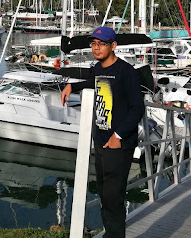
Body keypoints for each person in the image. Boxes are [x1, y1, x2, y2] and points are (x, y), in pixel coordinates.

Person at [60, 26, 144, 237]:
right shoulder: (98, 68)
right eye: (93, 44)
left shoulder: (127, 72)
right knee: (105, 195)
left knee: (113, 197)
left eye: (101, 44)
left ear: (113, 46)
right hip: (101, 141)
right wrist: (72, 86)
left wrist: (119, 136)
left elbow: (137, 109)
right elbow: (94, 82)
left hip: (119, 143)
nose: (96, 48)